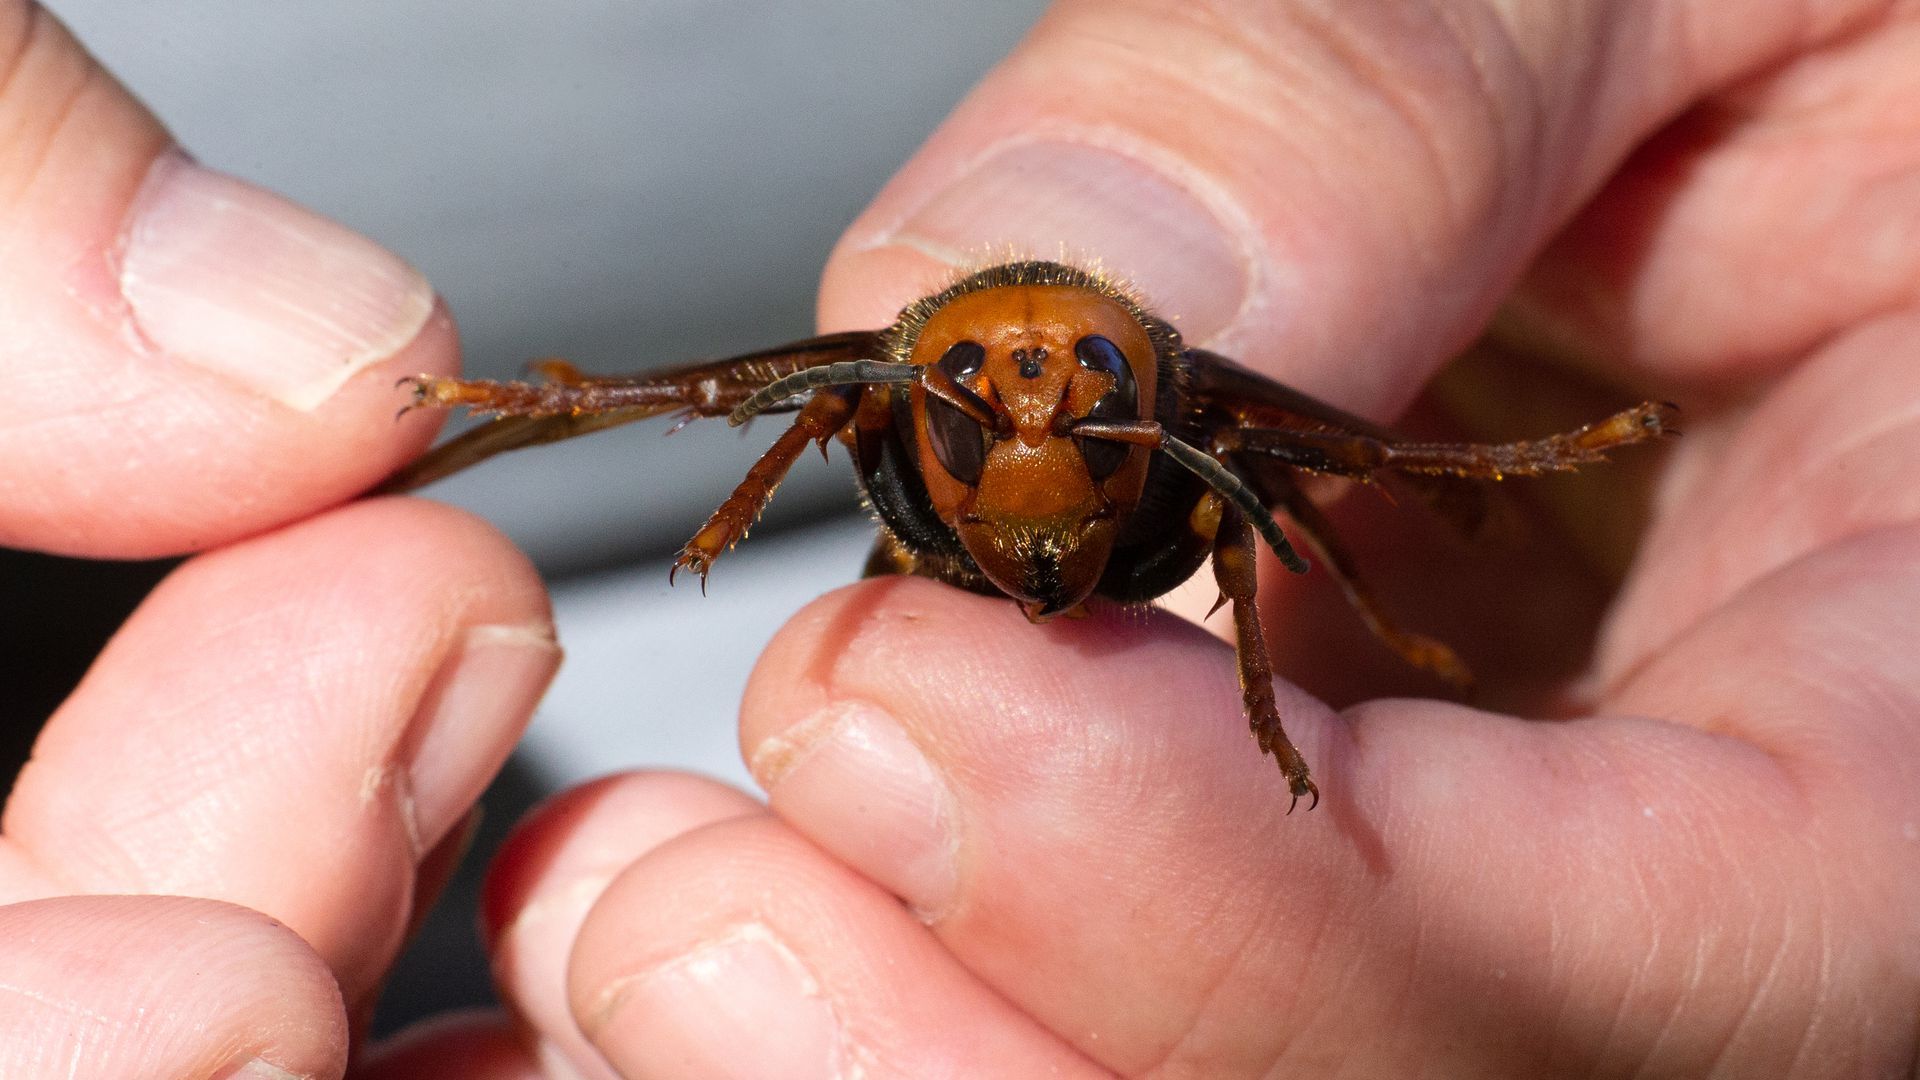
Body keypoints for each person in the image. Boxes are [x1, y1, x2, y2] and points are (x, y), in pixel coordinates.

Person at [4, 0, 1917, 1076]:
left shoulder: (1170, 409)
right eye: (981, 393)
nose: (1024, 429)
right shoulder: (893, 395)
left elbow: (1323, 462)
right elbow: (727, 392)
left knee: (1249, 491)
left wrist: (1449, 553)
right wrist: (536, 414)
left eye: (1066, 395)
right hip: (332, 710)